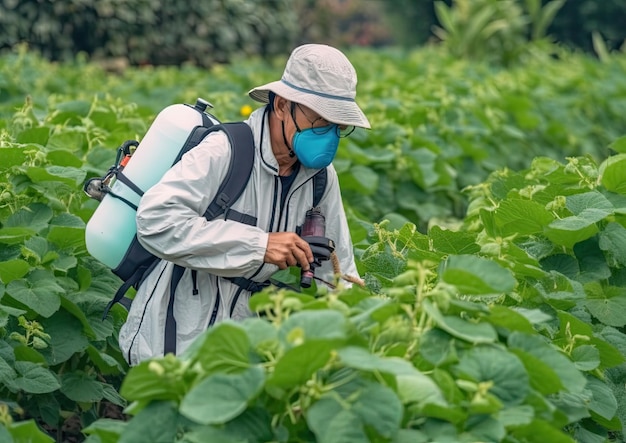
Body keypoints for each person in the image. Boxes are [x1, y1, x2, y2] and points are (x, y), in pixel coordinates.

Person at [118, 43, 371, 365]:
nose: (330, 135)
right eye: (320, 121)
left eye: (339, 126)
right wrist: (259, 246)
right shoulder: (226, 150)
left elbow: (337, 274)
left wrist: (361, 334)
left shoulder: (321, 178)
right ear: (281, 105)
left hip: (245, 345)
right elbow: (155, 221)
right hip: (172, 336)